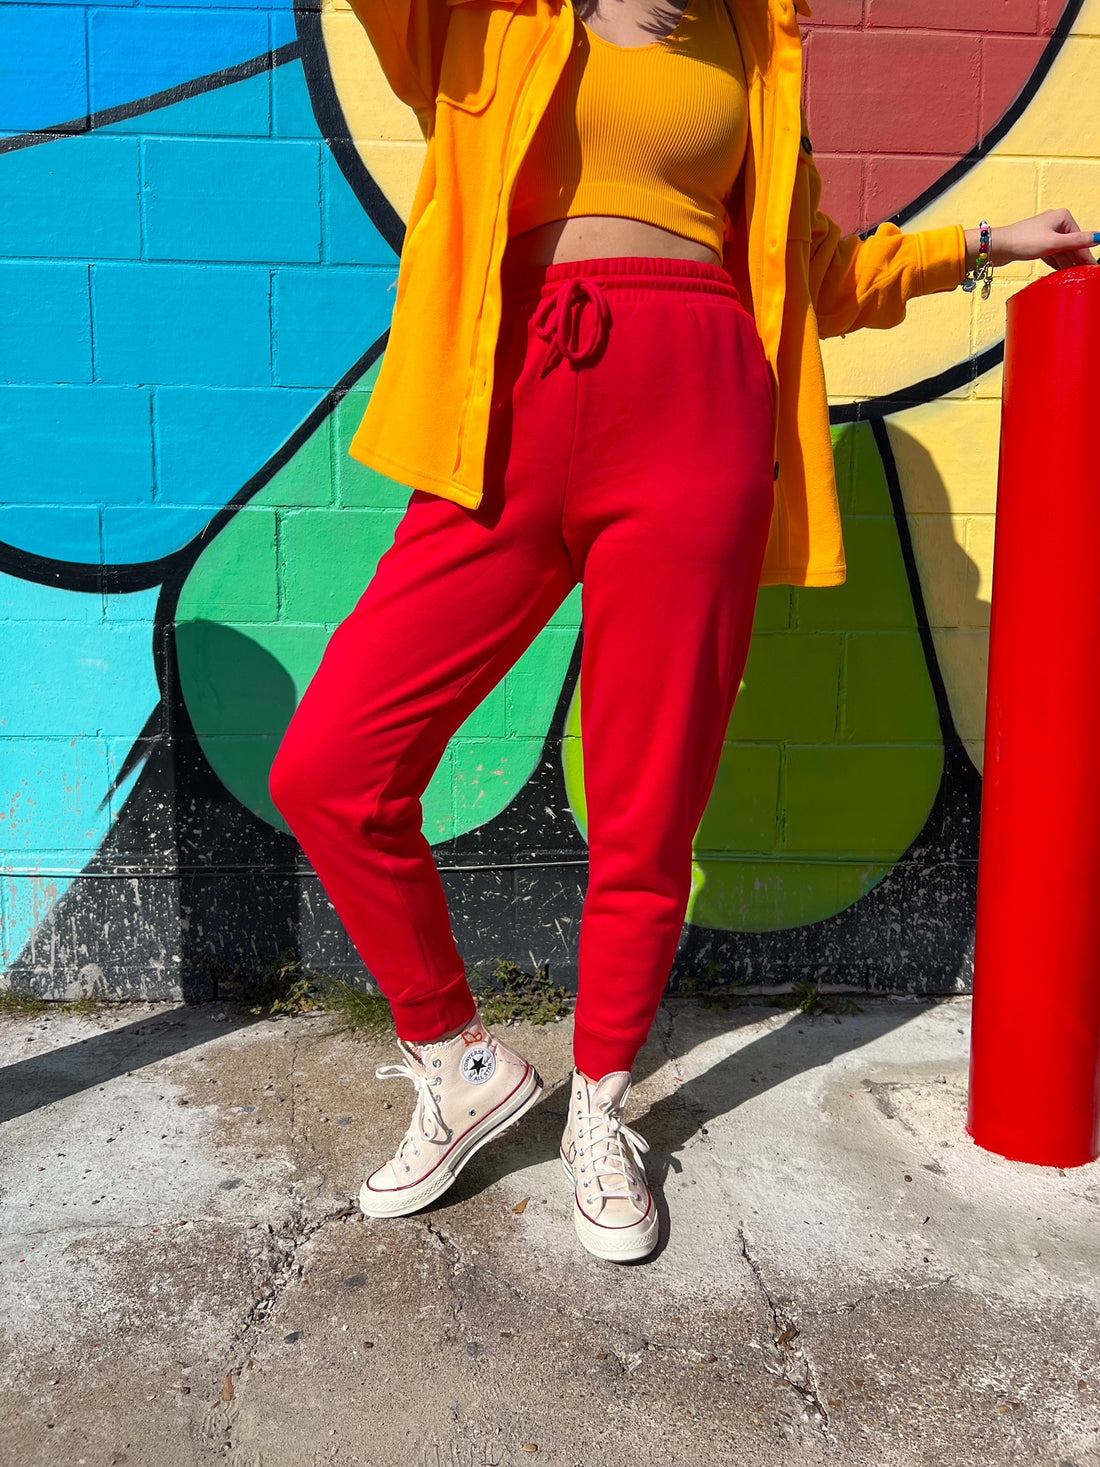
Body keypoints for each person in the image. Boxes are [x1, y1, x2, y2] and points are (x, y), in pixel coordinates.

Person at [269, 0, 1098, 1262]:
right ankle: (456, 1063)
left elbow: (814, 274)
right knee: (331, 767)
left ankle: (601, 1107)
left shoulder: (748, 44)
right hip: (506, 403)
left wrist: (980, 243)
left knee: (647, 805)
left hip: (694, 410)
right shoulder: (483, 19)